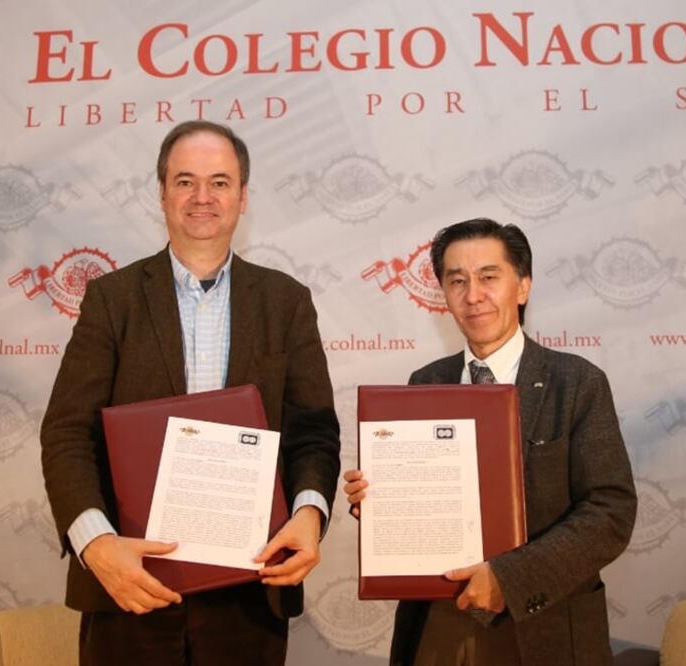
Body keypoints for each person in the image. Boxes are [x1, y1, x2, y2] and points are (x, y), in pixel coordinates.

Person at [41, 120, 340, 666]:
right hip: (130, 587)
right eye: (185, 181)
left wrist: (309, 515)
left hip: (251, 591)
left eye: (220, 182)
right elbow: (66, 434)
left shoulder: (286, 301)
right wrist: (97, 546)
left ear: (243, 197)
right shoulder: (113, 299)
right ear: (161, 194)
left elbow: (314, 432)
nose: (203, 197)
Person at [343, 218, 636, 665]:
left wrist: (509, 579)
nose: (472, 295)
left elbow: (610, 513)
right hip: (437, 628)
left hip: (544, 629)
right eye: (456, 280)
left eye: (488, 277)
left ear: (522, 287)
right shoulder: (425, 383)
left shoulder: (576, 383)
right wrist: (382, 501)